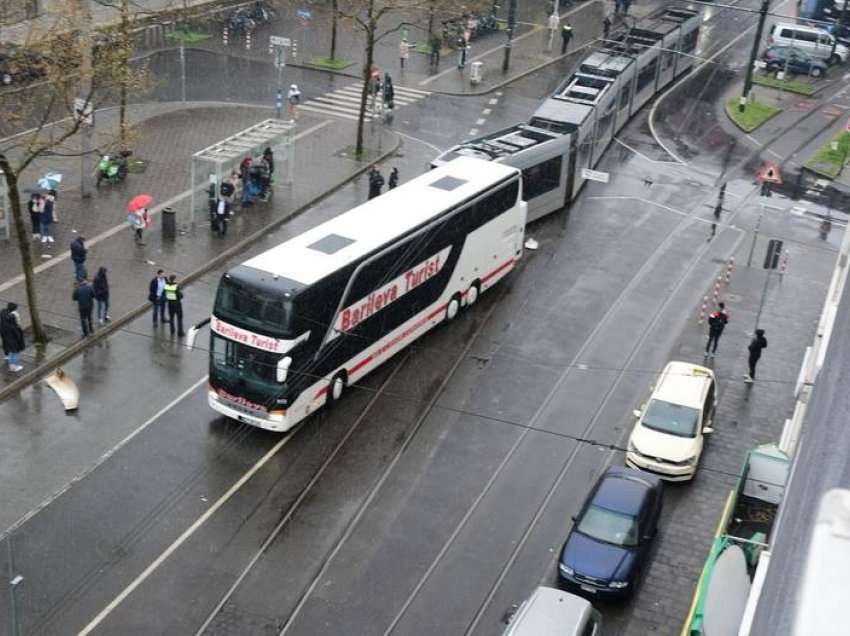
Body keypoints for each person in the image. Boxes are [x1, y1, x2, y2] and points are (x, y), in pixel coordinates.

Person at [0, 302, 25, 373]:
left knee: (7, 346)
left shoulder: (3, 312)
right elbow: (16, 329)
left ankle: (7, 356)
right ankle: (13, 367)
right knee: (15, 351)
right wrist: (19, 336)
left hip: (4, 333)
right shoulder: (12, 319)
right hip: (12, 336)